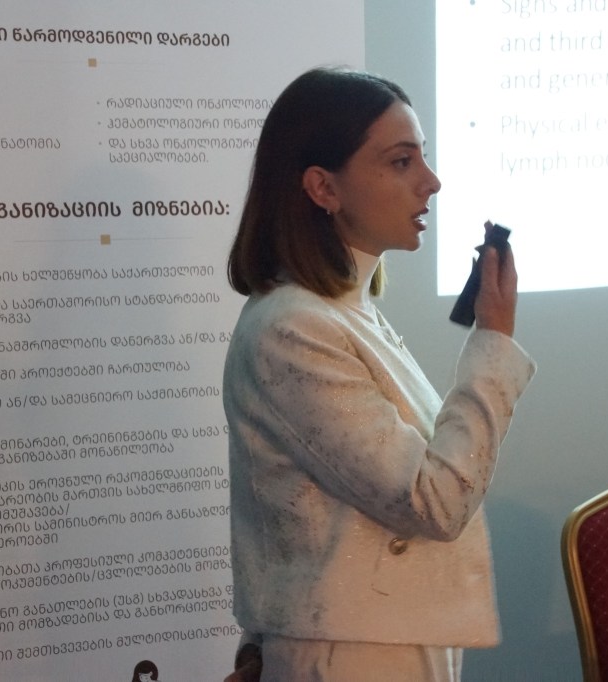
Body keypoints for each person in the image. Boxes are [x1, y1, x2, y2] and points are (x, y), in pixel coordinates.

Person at [221, 66, 536, 682]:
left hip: (380, 639)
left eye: (423, 157)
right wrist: (493, 343)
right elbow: (436, 502)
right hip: (355, 654)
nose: (431, 181)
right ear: (323, 187)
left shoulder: (342, 312)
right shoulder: (296, 328)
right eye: (401, 162)